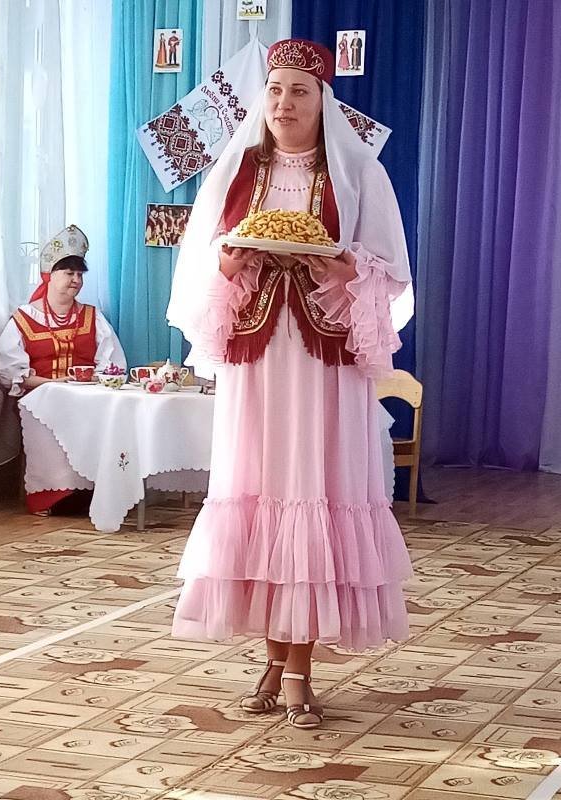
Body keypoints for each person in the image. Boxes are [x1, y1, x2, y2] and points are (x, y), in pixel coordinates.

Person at [167, 39, 413, 730]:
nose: (284, 103)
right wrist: (230, 261)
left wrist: (345, 269)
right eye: (274, 90)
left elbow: (392, 270)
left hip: (322, 363)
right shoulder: (237, 169)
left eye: (299, 91)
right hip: (258, 360)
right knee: (260, 493)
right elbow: (202, 266)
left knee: (312, 491)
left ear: (322, 100)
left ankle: (298, 669)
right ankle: (274, 661)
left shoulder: (357, 173)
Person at [0, 224, 126, 515]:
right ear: (49, 275)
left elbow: (112, 363)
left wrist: (92, 381)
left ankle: (95, 492)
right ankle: (53, 495)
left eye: (80, 274)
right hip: (41, 397)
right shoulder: (25, 318)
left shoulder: (92, 316)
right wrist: (53, 384)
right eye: (69, 273)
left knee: (108, 415)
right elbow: (11, 371)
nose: (76, 280)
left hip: (88, 397)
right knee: (50, 415)